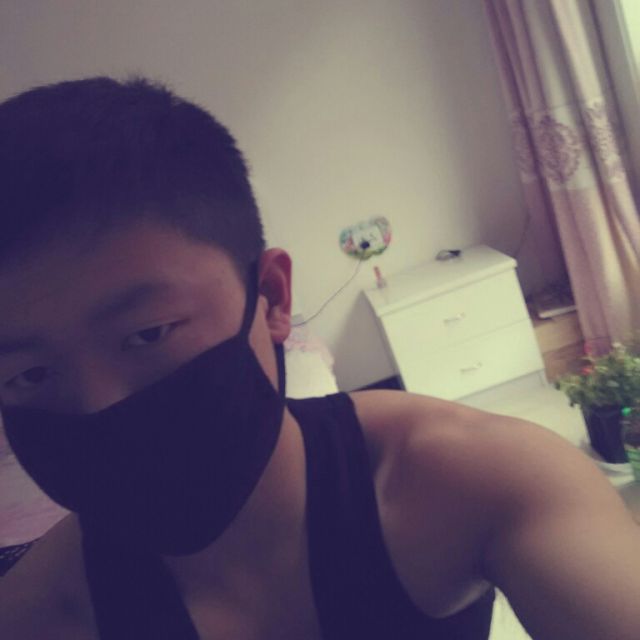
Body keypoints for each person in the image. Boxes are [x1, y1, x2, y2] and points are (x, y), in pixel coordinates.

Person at [0, 77, 638, 640]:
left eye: (148, 334)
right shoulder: (33, 614)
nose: (99, 405)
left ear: (272, 297)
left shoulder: (472, 476)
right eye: (29, 374)